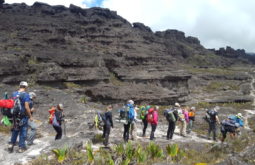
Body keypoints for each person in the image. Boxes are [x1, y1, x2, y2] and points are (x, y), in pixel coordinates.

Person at [8, 81, 33, 153]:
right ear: (25, 87)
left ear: (19, 86)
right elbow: (26, 107)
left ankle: (11, 144)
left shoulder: (14, 94)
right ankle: (21, 147)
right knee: (23, 131)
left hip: (14, 115)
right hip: (23, 116)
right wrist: (30, 116)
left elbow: (11, 104)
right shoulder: (26, 95)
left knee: (15, 129)